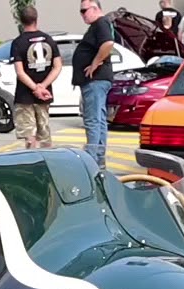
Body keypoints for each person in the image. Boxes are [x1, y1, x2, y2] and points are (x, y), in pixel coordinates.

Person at [10, 6, 61, 150]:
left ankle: (31, 162)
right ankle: (47, 161)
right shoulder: (49, 39)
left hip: (24, 95)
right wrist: (43, 86)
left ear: (21, 21)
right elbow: (57, 66)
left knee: (29, 135)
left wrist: (34, 88)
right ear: (36, 19)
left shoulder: (18, 42)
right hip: (44, 95)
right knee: (44, 133)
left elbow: (20, 72)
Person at [74, 0, 114, 168]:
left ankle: (92, 159)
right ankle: (98, 156)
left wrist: (95, 63)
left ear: (95, 8)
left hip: (95, 80)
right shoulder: (99, 25)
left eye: (84, 10)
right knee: (99, 119)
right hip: (97, 81)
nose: (82, 15)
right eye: (80, 11)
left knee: (92, 120)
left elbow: (108, 43)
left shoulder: (101, 23)